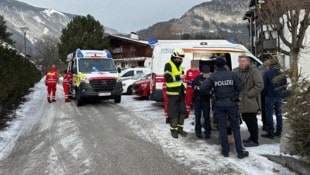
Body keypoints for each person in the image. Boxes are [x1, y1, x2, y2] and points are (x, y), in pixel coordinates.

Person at [201, 57, 249, 159]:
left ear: (216, 66)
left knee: (222, 128)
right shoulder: (232, 74)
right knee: (235, 127)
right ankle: (240, 152)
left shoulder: (213, 76)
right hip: (232, 104)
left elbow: (203, 87)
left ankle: (225, 151)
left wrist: (212, 93)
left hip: (219, 105)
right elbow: (240, 87)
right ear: (224, 64)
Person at [234, 56, 264, 147]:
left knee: (252, 121)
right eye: (240, 61)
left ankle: (255, 140)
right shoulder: (236, 71)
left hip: (251, 101)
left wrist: (249, 94)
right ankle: (251, 137)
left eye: (243, 61)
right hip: (241, 101)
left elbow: (259, 85)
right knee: (245, 119)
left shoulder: (254, 72)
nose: (241, 63)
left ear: (248, 62)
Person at [164, 48, 187, 138]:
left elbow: (180, 80)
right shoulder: (168, 65)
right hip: (172, 94)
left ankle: (180, 129)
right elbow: (167, 78)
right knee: (173, 112)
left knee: (182, 112)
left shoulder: (180, 66)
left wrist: (183, 88)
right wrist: (179, 76)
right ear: (174, 57)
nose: (181, 60)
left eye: (181, 58)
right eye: (179, 58)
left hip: (180, 93)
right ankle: (173, 130)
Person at [261, 58, 287, 139]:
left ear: (271, 65)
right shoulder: (282, 74)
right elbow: (284, 85)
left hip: (269, 96)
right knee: (279, 113)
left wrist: (265, 94)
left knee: (269, 114)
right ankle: (279, 131)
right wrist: (281, 93)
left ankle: (270, 131)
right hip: (279, 96)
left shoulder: (267, 73)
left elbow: (264, 86)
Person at [192, 65, 211, 139]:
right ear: (202, 72)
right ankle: (198, 131)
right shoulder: (198, 78)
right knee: (198, 116)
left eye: (207, 73)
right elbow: (193, 85)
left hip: (206, 100)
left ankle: (207, 132)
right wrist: (198, 88)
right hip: (198, 99)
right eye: (205, 73)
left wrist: (209, 91)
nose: (206, 75)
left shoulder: (210, 78)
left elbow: (213, 87)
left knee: (207, 117)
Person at [259, 59, 270, 132]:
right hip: (266, 93)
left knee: (263, 109)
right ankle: (266, 124)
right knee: (267, 109)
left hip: (261, 92)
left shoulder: (259, 70)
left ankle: (265, 124)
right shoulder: (265, 72)